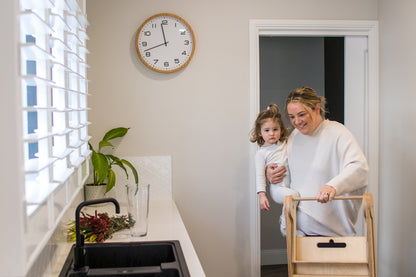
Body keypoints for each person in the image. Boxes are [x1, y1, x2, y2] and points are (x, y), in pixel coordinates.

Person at [266, 86, 369, 237]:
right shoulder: (294, 137)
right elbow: (283, 168)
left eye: (302, 114)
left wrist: (332, 186)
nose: (297, 121)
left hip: (334, 235)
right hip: (299, 234)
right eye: (292, 117)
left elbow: (359, 168)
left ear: (317, 108)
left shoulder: (337, 133)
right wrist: (270, 172)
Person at [250, 104, 300, 234]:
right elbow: (260, 175)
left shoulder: (284, 143)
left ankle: (294, 226)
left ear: (281, 130)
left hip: (289, 185)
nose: (272, 133)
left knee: (295, 197)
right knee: (294, 196)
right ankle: (284, 225)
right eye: (267, 130)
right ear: (259, 133)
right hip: (277, 189)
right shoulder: (261, 153)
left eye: (275, 129)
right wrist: (262, 196)